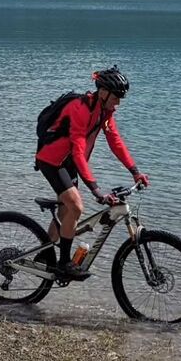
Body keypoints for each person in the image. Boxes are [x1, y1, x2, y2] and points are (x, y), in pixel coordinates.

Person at [35, 65, 150, 280]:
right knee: (76, 207)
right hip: (52, 161)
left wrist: (135, 171)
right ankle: (64, 264)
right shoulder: (80, 109)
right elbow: (78, 150)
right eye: (117, 97)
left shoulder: (105, 112)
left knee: (65, 212)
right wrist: (96, 190)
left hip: (68, 164)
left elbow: (115, 141)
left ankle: (44, 255)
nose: (119, 102)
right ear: (104, 93)